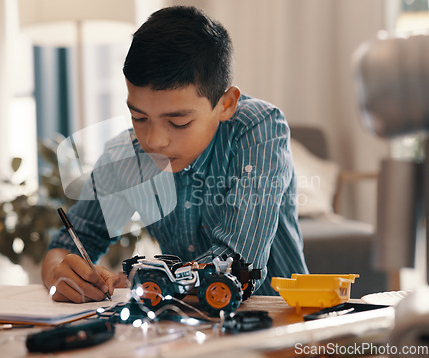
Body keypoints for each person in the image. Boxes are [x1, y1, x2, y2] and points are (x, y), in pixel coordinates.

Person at [42, 5, 308, 303]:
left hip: (279, 317)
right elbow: (71, 241)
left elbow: (236, 264)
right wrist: (60, 272)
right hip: (184, 322)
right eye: (139, 118)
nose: (154, 141)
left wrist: (149, 277)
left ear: (226, 104)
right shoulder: (127, 154)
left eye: (178, 122)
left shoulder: (258, 128)